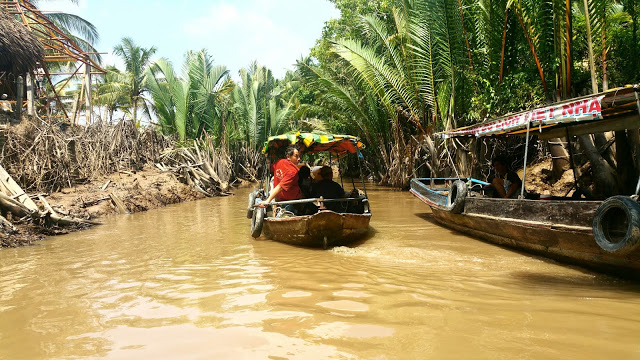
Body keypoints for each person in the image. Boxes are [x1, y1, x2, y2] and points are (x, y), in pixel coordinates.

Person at [257, 145, 303, 215]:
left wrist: (268, 162)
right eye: (296, 156)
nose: (299, 159)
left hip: (278, 197)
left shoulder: (280, 162)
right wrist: (268, 201)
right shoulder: (293, 171)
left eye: (299, 156)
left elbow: (271, 167)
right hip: (290, 201)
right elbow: (280, 187)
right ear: (288, 157)